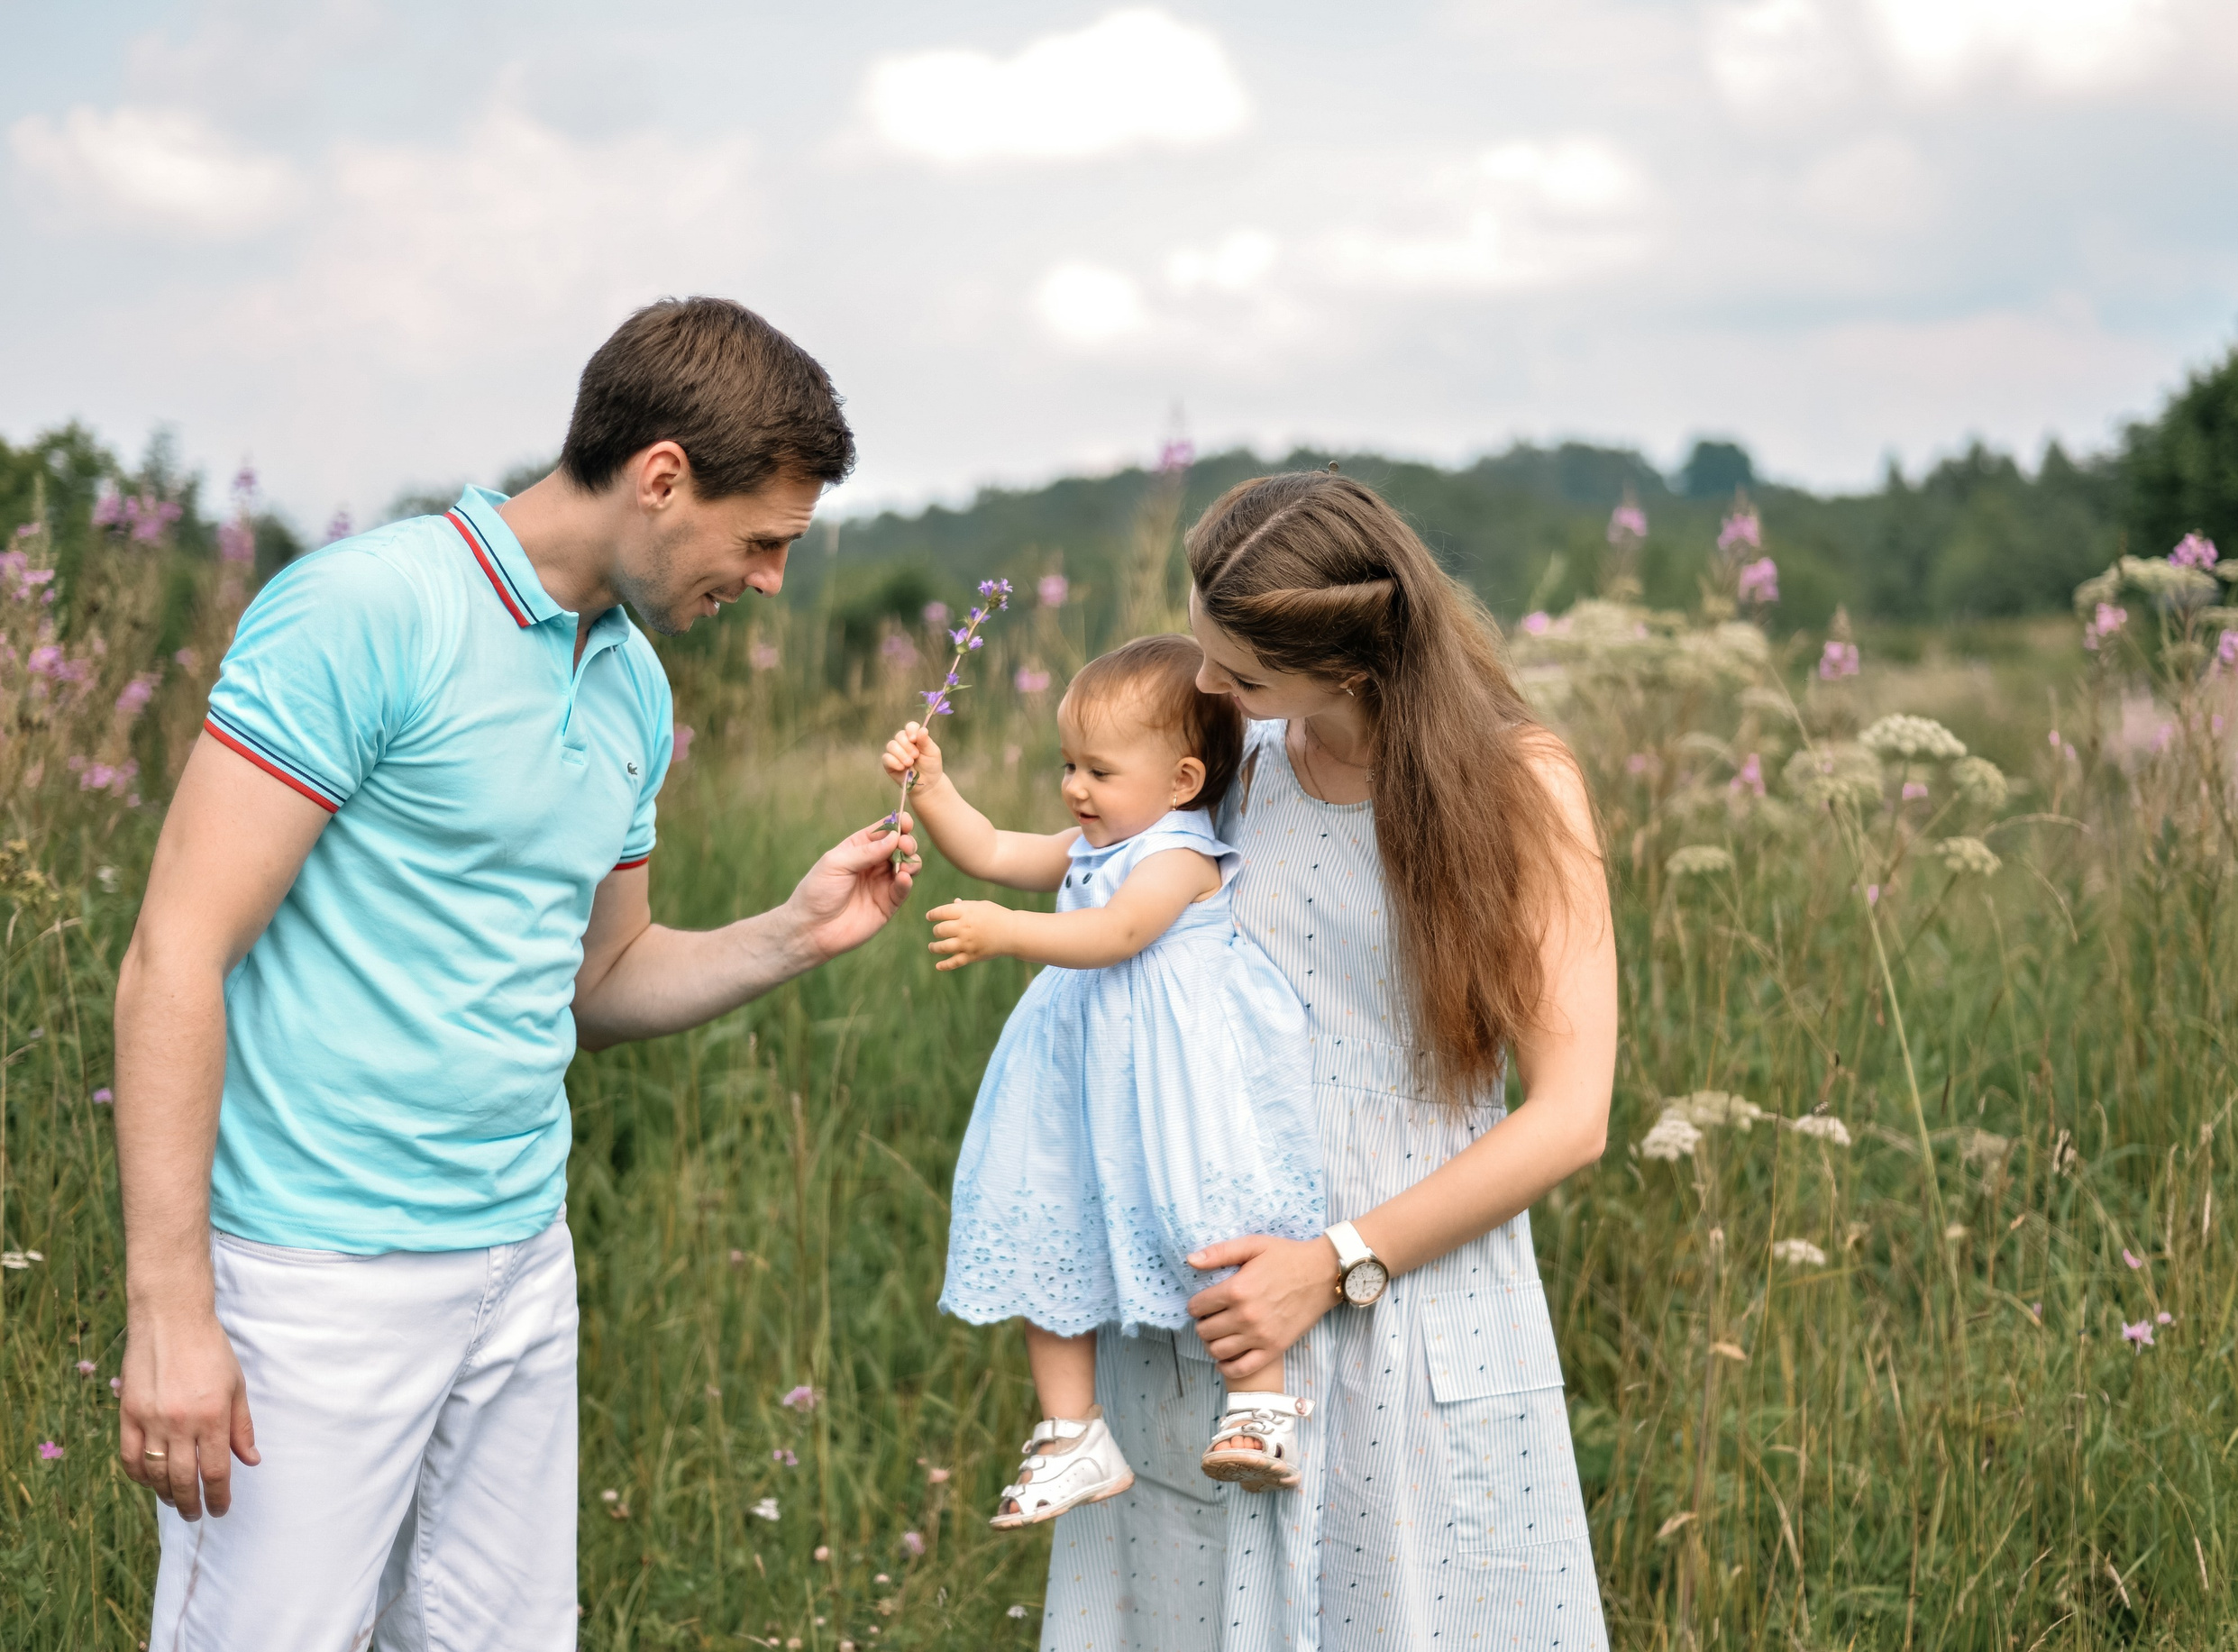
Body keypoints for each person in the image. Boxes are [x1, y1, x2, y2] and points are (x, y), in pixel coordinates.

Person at [111, 297, 919, 1650]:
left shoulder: (635, 689)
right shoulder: (366, 608)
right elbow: (172, 958)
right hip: (314, 1274)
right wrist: (171, 1308)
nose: (773, 577)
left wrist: (793, 931)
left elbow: (600, 982)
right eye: (764, 538)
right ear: (663, 477)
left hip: (517, 1266)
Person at [1039, 471, 1618, 1650]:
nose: (1210, 689)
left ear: (1353, 666)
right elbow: (1108, 910)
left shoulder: (1519, 786)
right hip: (1222, 1319)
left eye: (1241, 673)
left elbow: (1573, 1116)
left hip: (1420, 1310)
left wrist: (1335, 1263)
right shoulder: (1231, 764)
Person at [881, 635, 1329, 1528]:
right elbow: (994, 850)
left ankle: (1257, 1404)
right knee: (1050, 1227)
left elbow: (1119, 934)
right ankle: (1070, 1432)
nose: (1073, 789)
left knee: (1212, 1223)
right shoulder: (1093, 842)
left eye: (1098, 770)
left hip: (1176, 1092)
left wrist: (1009, 934)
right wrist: (932, 788)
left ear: (1179, 778)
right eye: (1067, 765)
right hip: (1081, 1090)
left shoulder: (1176, 856)